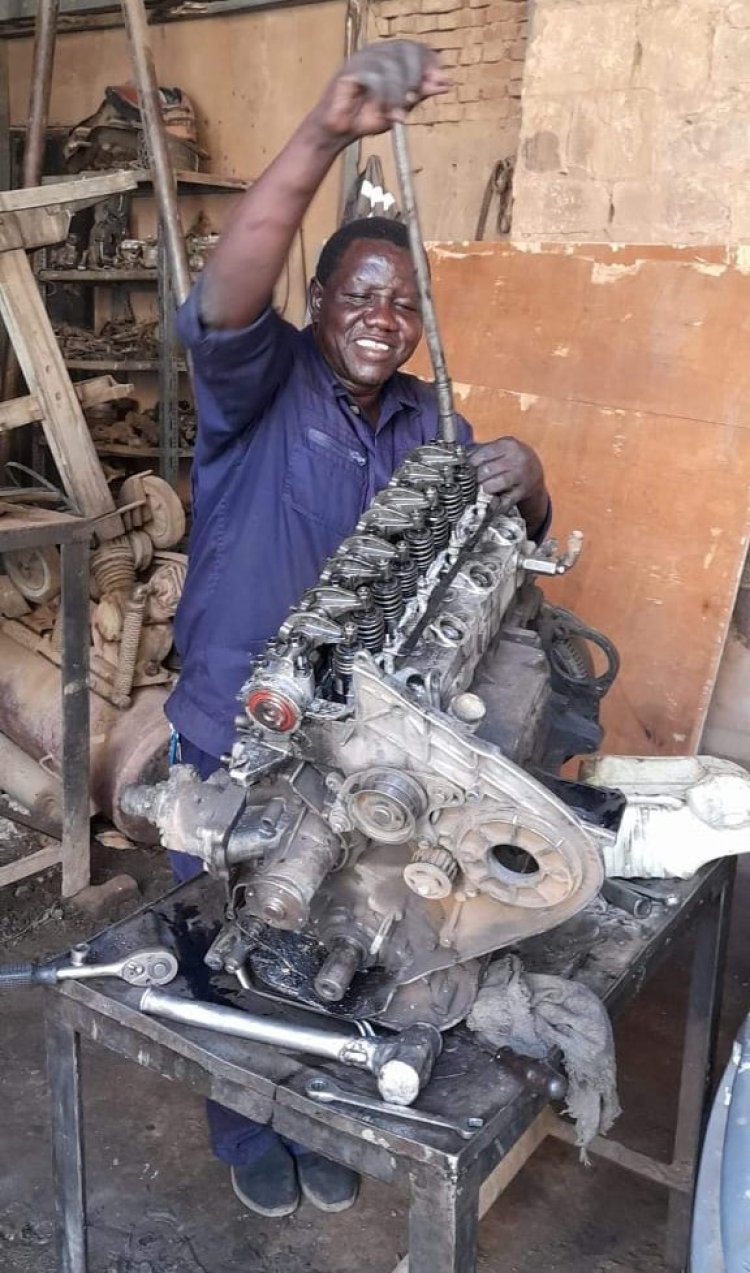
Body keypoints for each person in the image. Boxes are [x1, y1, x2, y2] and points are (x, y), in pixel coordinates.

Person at [166, 39, 551, 1220]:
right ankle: (246, 1117)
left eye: (401, 302)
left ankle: (325, 1112)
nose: (382, 316)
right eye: (357, 294)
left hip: (378, 759)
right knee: (229, 947)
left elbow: (511, 540)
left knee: (350, 941)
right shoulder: (259, 385)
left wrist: (529, 475)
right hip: (240, 734)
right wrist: (326, 135)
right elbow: (233, 282)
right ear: (319, 305)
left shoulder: (436, 429)